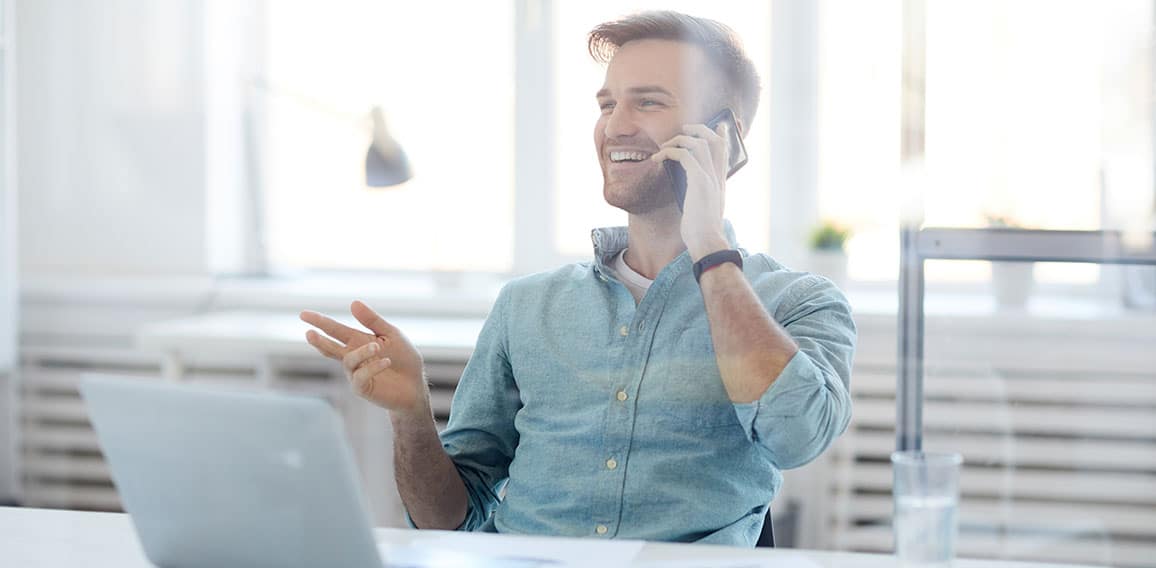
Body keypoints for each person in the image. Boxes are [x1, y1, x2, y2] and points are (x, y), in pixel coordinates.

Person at [300, 10, 854, 546]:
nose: (615, 126)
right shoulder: (527, 305)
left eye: (649, 102)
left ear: (724, 138)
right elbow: (449, 521)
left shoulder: (797, 302)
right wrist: (412, 416)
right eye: (608, 103)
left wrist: (709, 243)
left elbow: (797, 436)